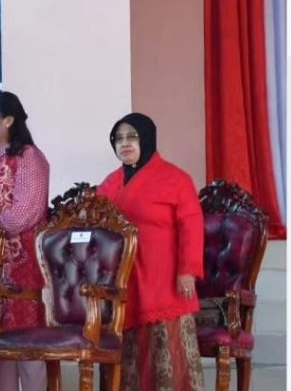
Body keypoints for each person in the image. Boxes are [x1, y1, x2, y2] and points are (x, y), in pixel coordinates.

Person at [96, 113, 204, 391]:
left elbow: (192, 226)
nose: (125, 143)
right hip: (123, 277)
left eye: (132, 136)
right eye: (119, 139)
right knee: (128, 351)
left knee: (166, 349)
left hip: (165, 277)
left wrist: (188, 271)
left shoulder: (176, 179)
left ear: (147, 138)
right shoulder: (110, 182)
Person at [0, 91, 48, 391]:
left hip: (19, 266)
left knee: (26, 349)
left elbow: (22, 214)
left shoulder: (29, 157)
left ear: (8, 120)